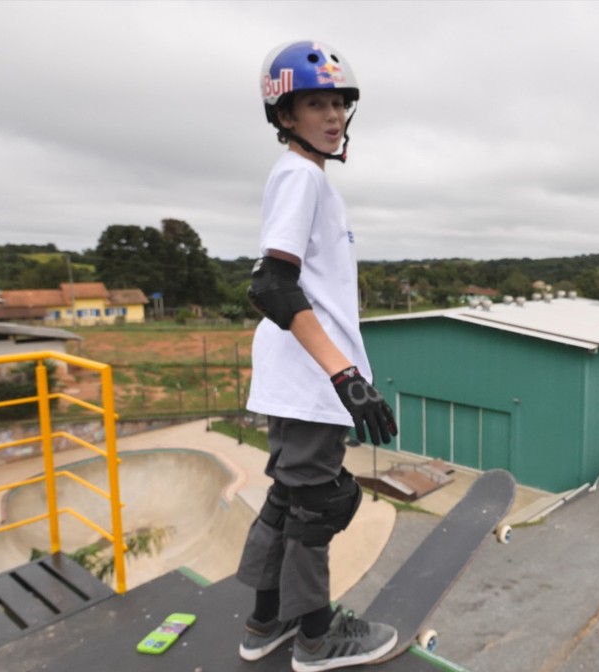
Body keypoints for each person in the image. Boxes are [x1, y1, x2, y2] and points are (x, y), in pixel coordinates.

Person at [235, 39, 399, 671]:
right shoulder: (301, 176)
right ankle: (315, 638)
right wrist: (346, 375)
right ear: (285, 117)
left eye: (338, 104)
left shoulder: (308, 179)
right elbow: (271, 284)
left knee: (291, 496)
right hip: (312, 380)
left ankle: (265, 624)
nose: (332, 116)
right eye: (315, 105)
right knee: (318, 504)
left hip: (302, 377)